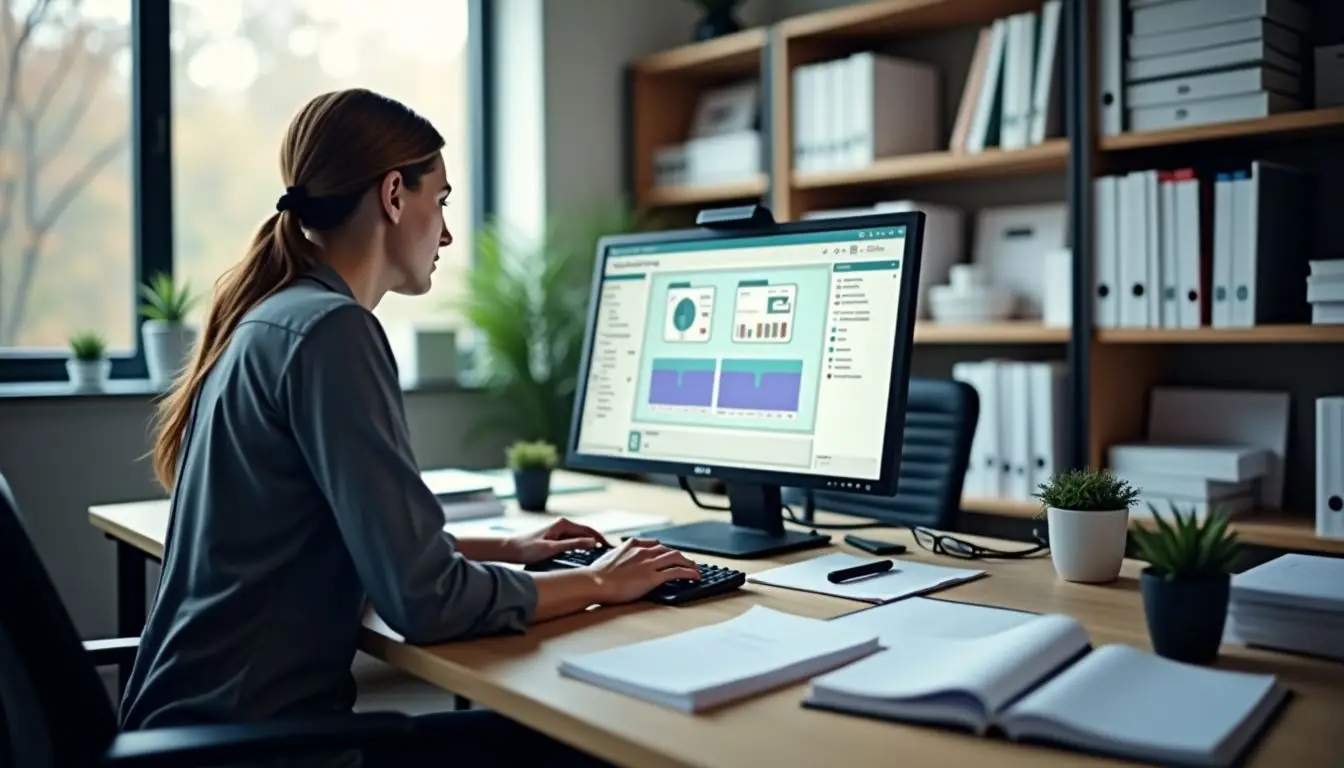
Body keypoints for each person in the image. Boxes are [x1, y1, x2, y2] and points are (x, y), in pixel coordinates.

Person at [119, 88, 701, 766]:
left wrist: (510, 547)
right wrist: (602, 582)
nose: (448, 233)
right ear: (395, 194)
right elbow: (427, 602)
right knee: (583, 739)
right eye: (442, 200)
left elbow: (363, 544)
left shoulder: (276, 318)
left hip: (190, 731)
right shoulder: (333, 332)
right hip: (248, 748)